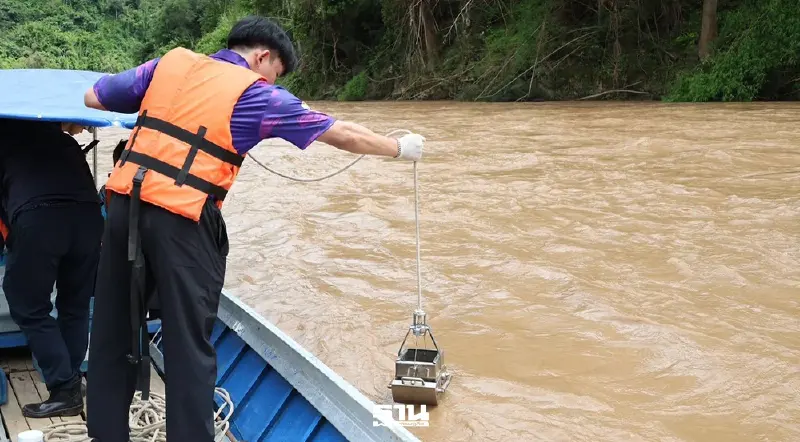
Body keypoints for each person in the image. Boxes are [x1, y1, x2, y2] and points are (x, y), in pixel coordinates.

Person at [82, 15, 425, 442]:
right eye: (275, 72)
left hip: (122, 209)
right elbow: (340, 133)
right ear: (263, 56)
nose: (273, 80)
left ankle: (105, 434)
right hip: (182, 220)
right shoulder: (256, 95)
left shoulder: (168, 64)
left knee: (113, 327)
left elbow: (94, 97)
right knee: (189, 345)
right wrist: (398, 148)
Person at [0, 118, 104, 418]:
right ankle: (70, 382)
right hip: (88, 220)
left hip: (40, 220)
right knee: (75, 303)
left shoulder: (5, 140)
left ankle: (64, 387)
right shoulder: (66, 142)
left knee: (27, 304)